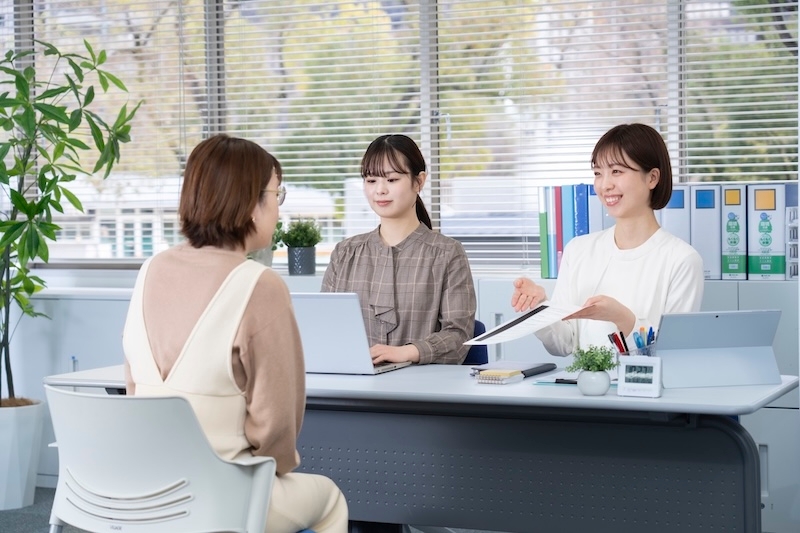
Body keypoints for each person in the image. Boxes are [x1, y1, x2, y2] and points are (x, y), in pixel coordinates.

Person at [122, 134, 348, 533]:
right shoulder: (259, 285)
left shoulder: (148, 271)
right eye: (277, 194)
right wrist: (275, 467)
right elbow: (277, 426)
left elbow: (133, 388)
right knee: (329, 498)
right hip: (224, 497)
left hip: (147, 492)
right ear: (250, 202)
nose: (279, 208)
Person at [511, 123, 704, 355]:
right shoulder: (579, 250)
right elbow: (564, 345)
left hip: (648, 390)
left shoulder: (681, 260)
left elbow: (673, 353)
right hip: (586, 388)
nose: (605, 185)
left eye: (617, 171)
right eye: (597, 173)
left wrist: (621, 318)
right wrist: (540, 306)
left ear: (652, 178)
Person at [322, 134, 476, 367]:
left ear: (419, 181)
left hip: (419, 393)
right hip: (351, 388)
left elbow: (459, 336)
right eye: (371, 180)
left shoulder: (447, 253)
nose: (380, 190)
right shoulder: (345, 253)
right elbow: (324, 328)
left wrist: (408, 352)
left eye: (392, 180)